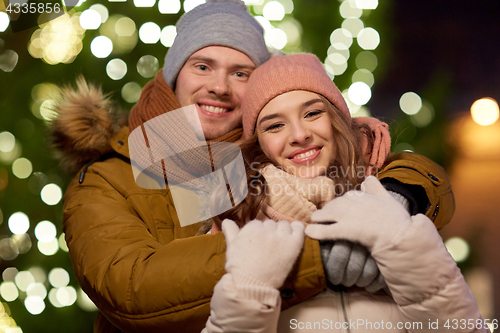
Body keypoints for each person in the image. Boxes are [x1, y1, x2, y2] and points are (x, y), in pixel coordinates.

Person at [49, 0, 455, 332]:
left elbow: (398, 166)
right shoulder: (109, 175)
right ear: (173, 77)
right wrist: (318, 260)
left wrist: (403, 195)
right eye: (202, 66)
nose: (220, 87)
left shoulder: (271, 154)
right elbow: (132, 287)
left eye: (240, 72)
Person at [202, 53, 486, 333]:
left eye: (312, 113)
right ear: (259, 144)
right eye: (275, 125)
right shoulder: (237, 219)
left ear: (337, 119)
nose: (299, 134)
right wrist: (248, 291)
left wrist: (402, 246)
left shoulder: (388, 199)